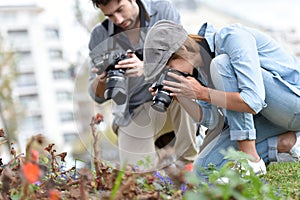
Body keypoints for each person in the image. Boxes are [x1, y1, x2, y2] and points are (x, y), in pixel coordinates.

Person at [143, 20, 300, 175]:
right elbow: (212, 121)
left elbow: (254, 101)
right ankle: (284, 143)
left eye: (169, 68)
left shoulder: (232, 37)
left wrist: (202, 93)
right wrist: (181, 97)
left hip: (292, 104)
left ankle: (250, 159)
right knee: (203, 170)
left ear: (183, 49)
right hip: (265, 118)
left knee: (221, 64)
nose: (170, 75)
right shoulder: (197, 71)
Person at [87, 0, 198, 170]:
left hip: (169, 100)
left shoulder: (162, 11)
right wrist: (102, 79)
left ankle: (191, 167)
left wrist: (146, 67)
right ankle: (162, 164)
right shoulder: (99, 36)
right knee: (138, 175)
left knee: (181, 88)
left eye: (120, 10)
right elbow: (96, 95)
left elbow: (185, 59)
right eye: (109, 15)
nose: (117, 19)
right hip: (131, 113)